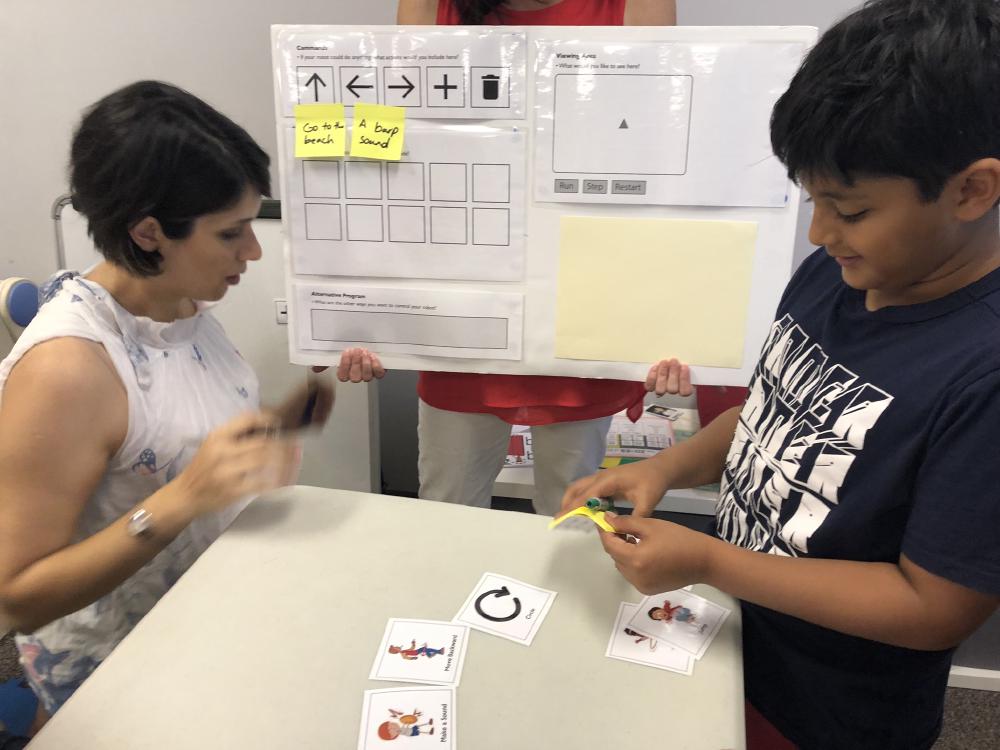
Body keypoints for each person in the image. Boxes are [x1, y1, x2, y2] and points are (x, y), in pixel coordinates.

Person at [562, 1, 1000, 747]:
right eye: (812, 200)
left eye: (851, 209)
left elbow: (932, 607)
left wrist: (708, 558)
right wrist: (666, 468)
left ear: (971, 190)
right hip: (725, 640)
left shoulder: (982, 372)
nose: (820, 232)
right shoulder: (839, 274)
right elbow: (775, 406)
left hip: (833, 713)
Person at [0, 81, 333, 725]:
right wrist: (182, 499)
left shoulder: (180, 300)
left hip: (204, 608)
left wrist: (257, 437)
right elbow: (15, 598)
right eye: (233, 233)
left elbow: (151, 442)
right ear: (150, 232)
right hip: (118, 661)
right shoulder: (67, 369)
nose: (254, 251)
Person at [337, 0, 686, 518]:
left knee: (569, 514)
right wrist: (360, 305)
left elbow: (663, 153)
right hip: (463, 310)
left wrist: (678, 322)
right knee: (446, 509)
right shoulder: (432, 6)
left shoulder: (635, 4)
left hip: (579, 307)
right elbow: (399, 154)